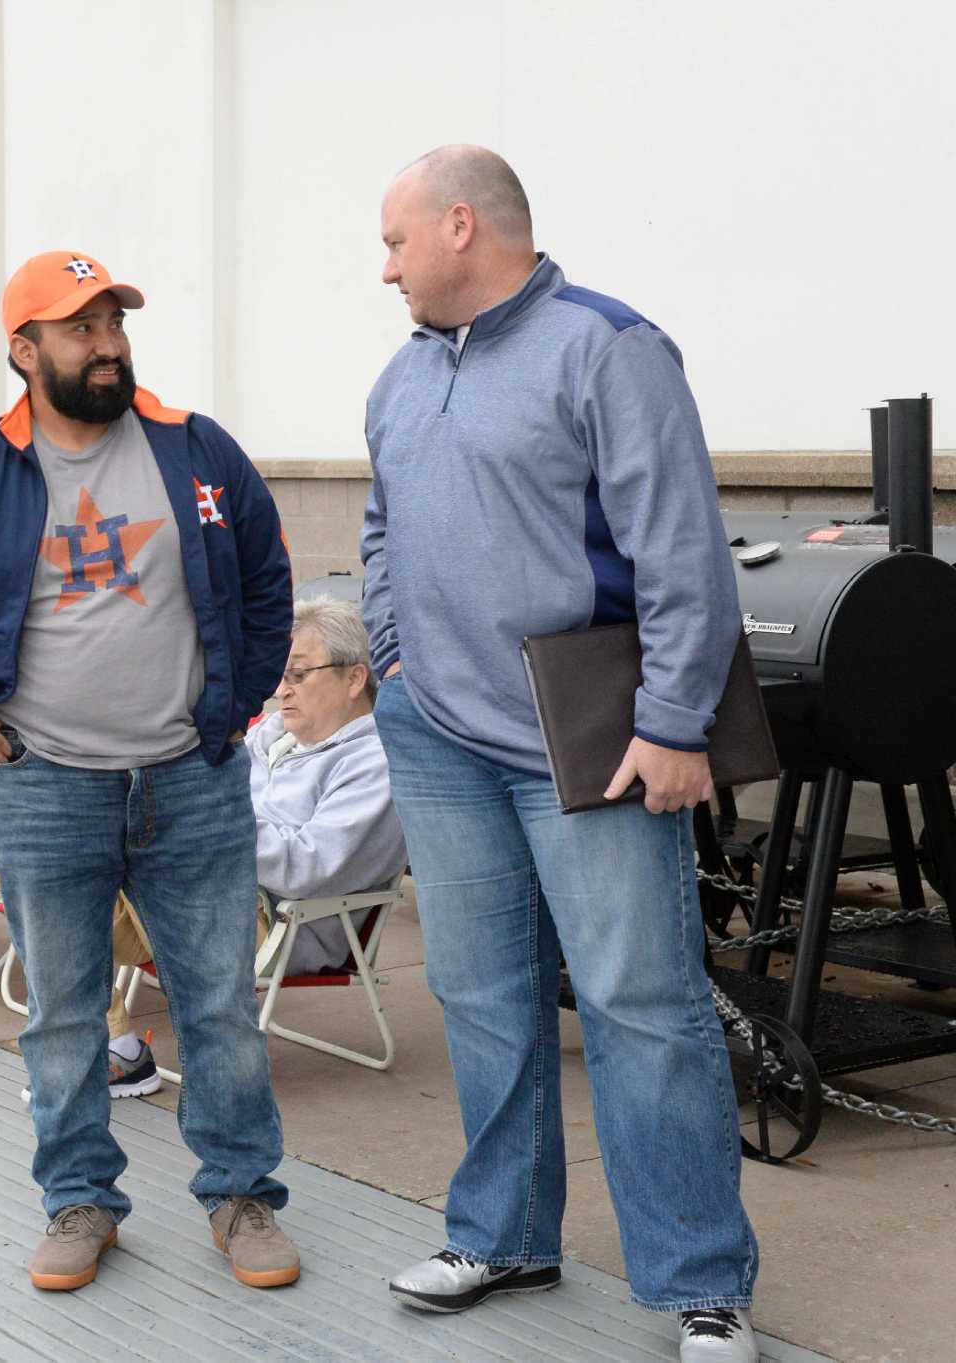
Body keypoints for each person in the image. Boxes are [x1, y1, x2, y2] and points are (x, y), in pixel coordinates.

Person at [0, 251, 297, 1294]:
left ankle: (241, 1194)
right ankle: (79, 1200)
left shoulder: (194, 450)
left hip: (190, 776)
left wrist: (233, 708)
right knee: (62, 1011)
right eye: (79, 328)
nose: (107, 344)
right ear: (22, 348)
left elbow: (268, 581)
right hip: (42, 784)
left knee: (218, 999)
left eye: (112, 323)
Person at [363, 146, 756, 1363]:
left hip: (583, 738)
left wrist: (675, 721)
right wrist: (388, 655)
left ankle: (699, 1282)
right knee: (480, 997)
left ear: (460, 227)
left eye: (393, 243)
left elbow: (680, 547)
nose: (382, 270)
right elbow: (378, 524)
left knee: (642, 1008)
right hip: (436, 735)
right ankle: (502, 1235)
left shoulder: (606, 348)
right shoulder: (399, 375)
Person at [0, 596, 406, 1095]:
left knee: (67, 868)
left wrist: (206, 815)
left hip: (278, 918)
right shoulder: (278, 732)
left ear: (355, 679)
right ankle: (115, 1051)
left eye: (299, 675)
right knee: (70, 846)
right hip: (209, 877)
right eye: (281, 674)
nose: (281, 689)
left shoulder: (375, 761)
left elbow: (309, 866)